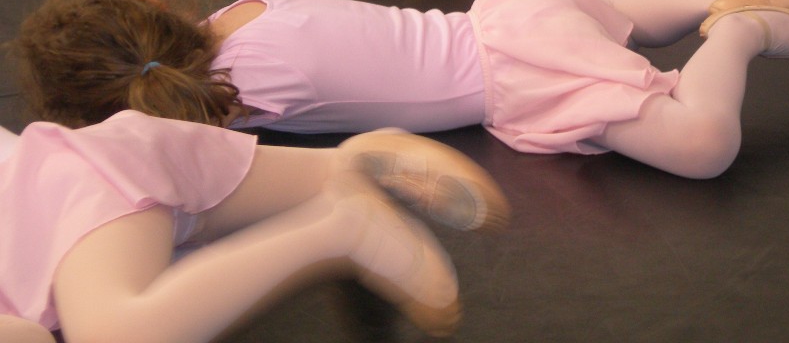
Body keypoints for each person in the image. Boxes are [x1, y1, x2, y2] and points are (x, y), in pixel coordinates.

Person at [14, 0, 789, 180]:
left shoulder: (222, 101)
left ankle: (739, 32)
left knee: (701, 146)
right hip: (508, 10)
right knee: (618, 9)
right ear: (155, 6)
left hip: (514, 70)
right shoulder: (241, 9)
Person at [0, 110, 510, 342]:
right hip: (97, 158)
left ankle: (344, 230)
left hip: (63, 205)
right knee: (177, 235)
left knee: (114, 332)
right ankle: (340, 168)